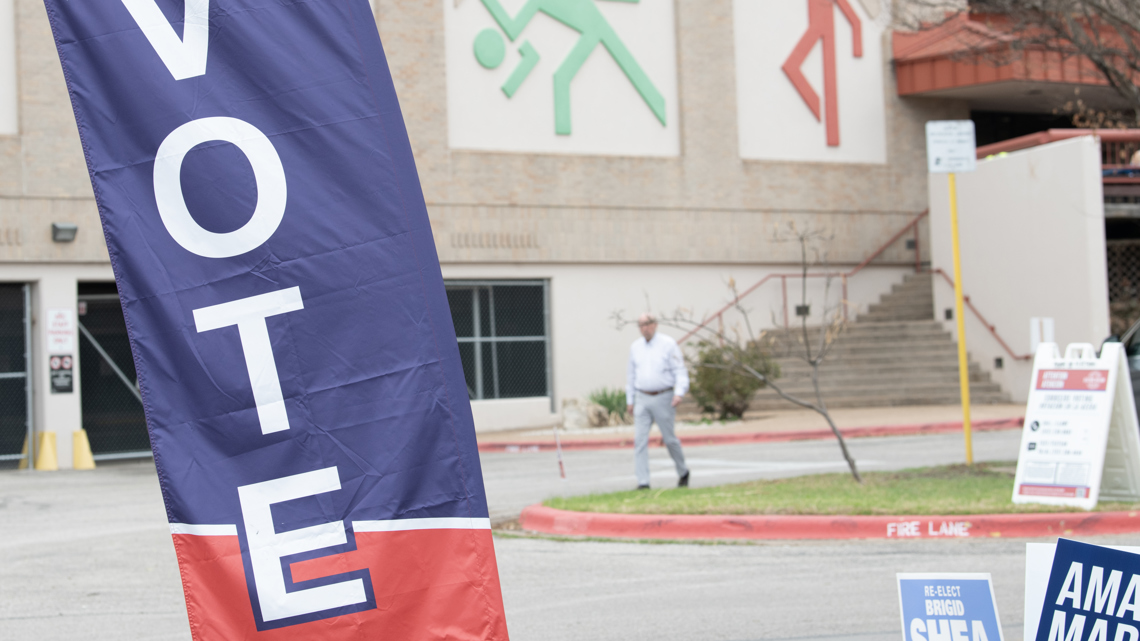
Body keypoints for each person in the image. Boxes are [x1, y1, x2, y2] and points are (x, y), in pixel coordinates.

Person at [625, 313, 690, 490]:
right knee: (640, 440)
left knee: (669, 439)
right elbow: (631, 375)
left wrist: (679, 393)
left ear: (655, 324)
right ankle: (643, 481)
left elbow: (680, 371)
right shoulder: (635, 347)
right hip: (642, 397)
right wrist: (630, 399)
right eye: (640, 325)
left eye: (647, 324)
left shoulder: (668, 344)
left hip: (664, 396)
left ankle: (683, 471)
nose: (644, 328)